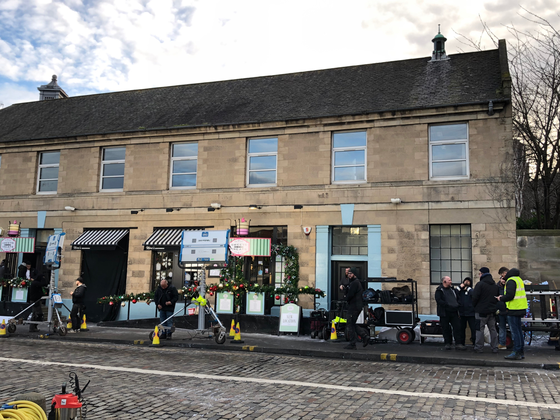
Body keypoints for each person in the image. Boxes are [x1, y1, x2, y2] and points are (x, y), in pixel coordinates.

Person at [496, 268, 528, 360]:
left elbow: (510, 295)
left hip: (513, 309)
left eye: (503, 275)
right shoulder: (519, 279)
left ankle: (516, 351)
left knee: (515, 332)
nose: (502, 277)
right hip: (520, 307)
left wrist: (501, 298)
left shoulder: (511, 281)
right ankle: (520, 351)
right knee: (518, 331)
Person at [472, 267, 499, 353]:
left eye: (479, 273)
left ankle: (479, 347)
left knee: (479, 329)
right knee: (493, 329)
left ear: (482, 274)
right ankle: (495, 347)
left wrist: (474, 306)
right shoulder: (495, 285)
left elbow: (474, 297)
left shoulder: (480, 284)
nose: (479, 275)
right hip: (492, 311)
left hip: (481, 311)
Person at [343, 267, 370, 349]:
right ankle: (364, 336)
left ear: (354, 274)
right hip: (355, 306)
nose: (349, 275)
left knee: (350, 324)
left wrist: (345, 297)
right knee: (352, 323)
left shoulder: (355, 283)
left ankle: (352, 343)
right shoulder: (353, 283)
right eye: (348, 273)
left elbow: (350, 295)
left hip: (354, 306)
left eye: (351, 273)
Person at [435, 276, 462, 350]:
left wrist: (457, 304)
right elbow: (439, 300)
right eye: (449, 280)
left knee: (457, 327)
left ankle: (458, 343)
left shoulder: (452, 290)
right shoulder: (439, 290)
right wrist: (448, 305)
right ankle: (447, 343)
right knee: (446, 328)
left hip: (454, 312)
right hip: (444, 313)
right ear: (444, 282)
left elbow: (458, 298)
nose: (451, 281)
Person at [455, 277, 475, 348]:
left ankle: (474, 342)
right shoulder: (460, 291)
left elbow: (474, 294)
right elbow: (455, 293)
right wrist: (460, 287)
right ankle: (461, 343)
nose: (466, 282)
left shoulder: (471, 291)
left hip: (471, 313)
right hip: (462, 313)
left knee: (473, 328)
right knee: (461, 328)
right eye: (465, 281)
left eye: (468, 281)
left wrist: (469, 289)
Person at [496, 267, 509, 350]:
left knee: (512, 327)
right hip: (501, 311)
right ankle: (502, 343)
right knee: (501, 328)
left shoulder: (509, 286)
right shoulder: (497, 287)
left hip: (508, 310)